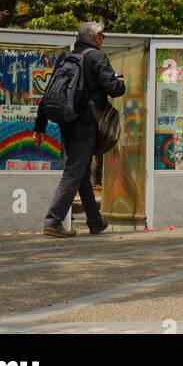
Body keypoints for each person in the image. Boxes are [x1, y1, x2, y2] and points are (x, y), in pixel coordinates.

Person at [34, 21, 125, 237]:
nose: (103, 39)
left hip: (66, 121)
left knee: (82, 172)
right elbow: (114, 89)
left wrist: (40, 126)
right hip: (86, 124)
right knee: (75, 170)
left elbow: (49, 93)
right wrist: (120, 81)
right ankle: (53, 220)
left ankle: (95, 221)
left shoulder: (66, 58)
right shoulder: (97, 57)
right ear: (94, 37)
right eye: (101, 35)